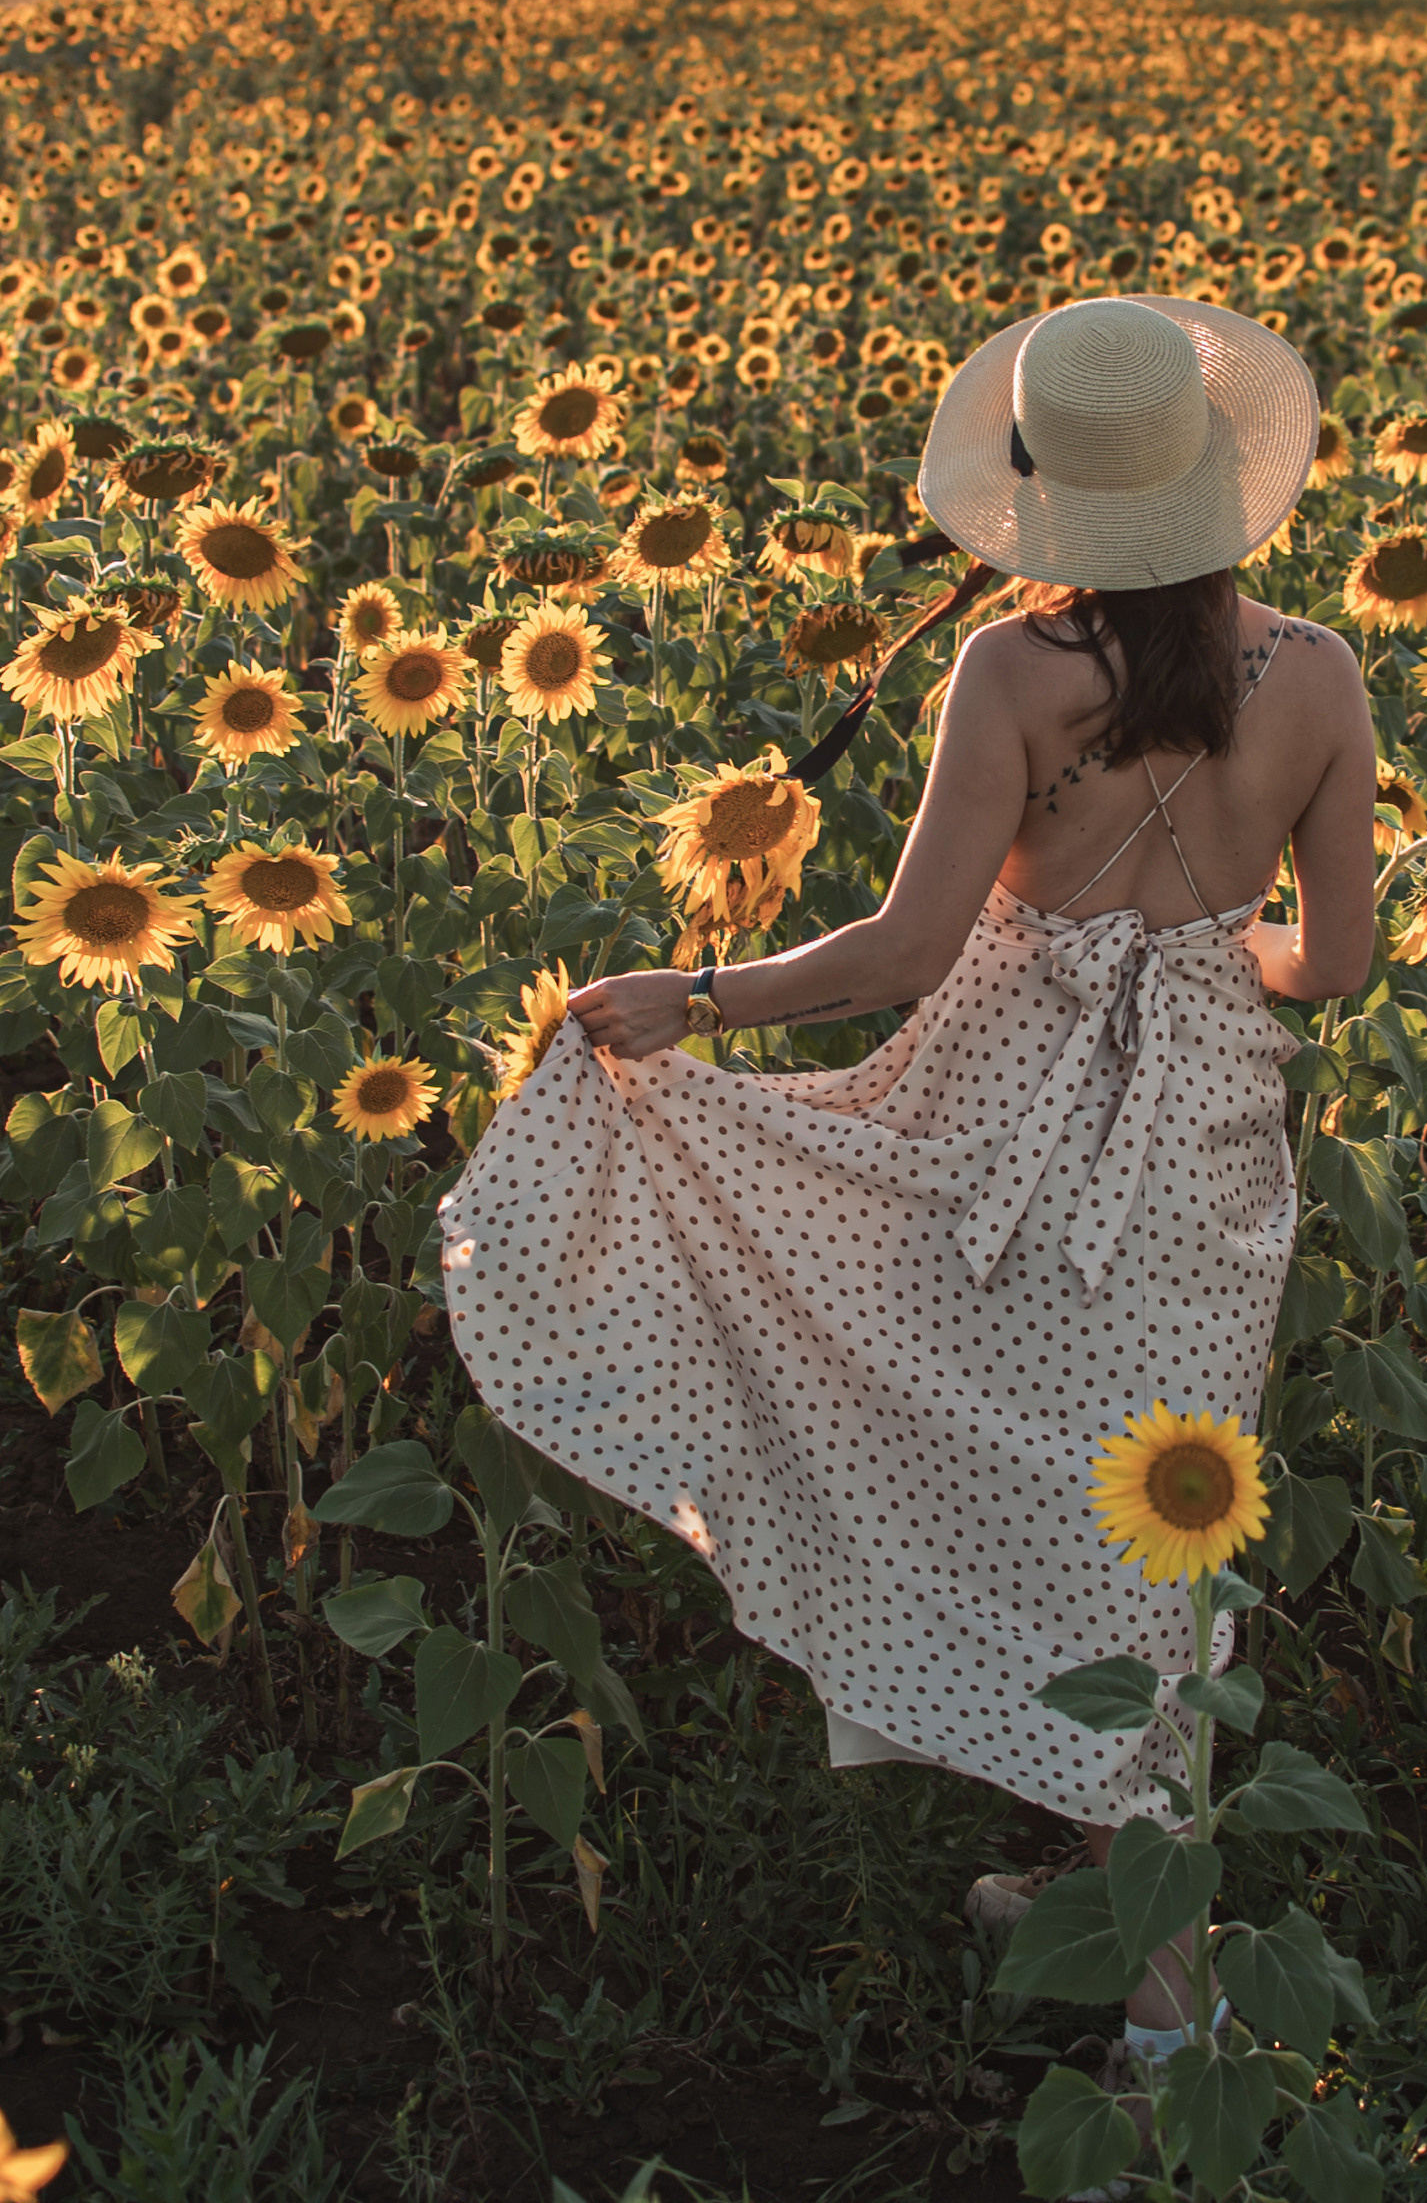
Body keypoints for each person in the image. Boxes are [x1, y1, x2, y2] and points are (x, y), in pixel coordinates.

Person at [439, 294, 1376, 2064]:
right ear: (1210, 476)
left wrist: (698, 997)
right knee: (1148, 1535)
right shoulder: (1319, 675)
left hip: (995, 1142)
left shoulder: (1019, 675)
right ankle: (1123, 1885)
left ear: (1050, 494)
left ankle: (1167, 2009)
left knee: (982, 1454)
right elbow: (1332, 966)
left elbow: (903, 952)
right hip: (1200, 1156)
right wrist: (1201, 971)